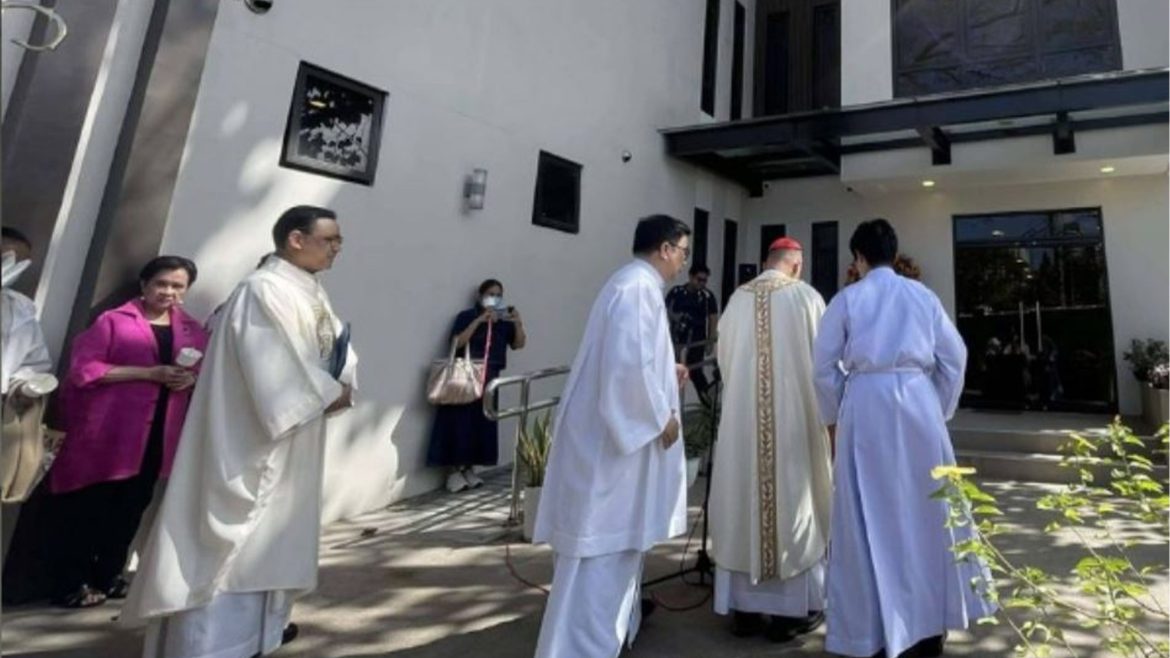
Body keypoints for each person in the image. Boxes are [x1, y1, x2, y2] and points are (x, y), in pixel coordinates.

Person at [120, 205, 358, 658]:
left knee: (268, 547)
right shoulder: (261, 291)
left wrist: (343, 383)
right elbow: (275, 369)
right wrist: (330, 393)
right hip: (253, 444)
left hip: (294, 439)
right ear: (295, 239)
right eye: (330, 239)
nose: (337, 248)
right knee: (232, 552)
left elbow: (336, 349)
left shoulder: (309, 290)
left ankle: (256, 641)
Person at [813, 219, 995, 658]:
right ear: (893, 255)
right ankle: (930, 625)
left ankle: (871, 631)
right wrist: (938, 406)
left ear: (857, 258)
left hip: (866, 402)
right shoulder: (922, 295)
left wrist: (840, 408)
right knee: (927, 514)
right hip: (917, 403)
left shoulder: (847, 299)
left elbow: (822, 366)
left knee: (864, 515)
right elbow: (955, 356)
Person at [532, 214, 691, 658]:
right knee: (602, 557)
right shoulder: (637, 288)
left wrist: (667, 370)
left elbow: (638, 359)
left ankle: (609, 636)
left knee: (616, 552)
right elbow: (627, 368)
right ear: (664, 248)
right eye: (682, 251)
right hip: (613, 453)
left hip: (612, 447)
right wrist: (662, 419)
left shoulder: (632, 285)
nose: (682, 261)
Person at [46, 256, 208, 608]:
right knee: (90, 510)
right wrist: (147, 373)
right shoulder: (114, 321)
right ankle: (71, 582)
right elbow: (84, 370)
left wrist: (188, 378)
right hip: (110, 433)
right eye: (161, 284)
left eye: (178, 286)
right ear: (144, 285)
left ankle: (108, 575)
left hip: (156, 438)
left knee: (130, 511)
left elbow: (202, 375)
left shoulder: (192, 330)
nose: (169, 292)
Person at [708, 236, 832, 642]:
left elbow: (723, 358)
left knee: (743, 503)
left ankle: (744, 610)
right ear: (797, 264)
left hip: (743, 424)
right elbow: (826, 365)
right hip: (794, 421)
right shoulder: (808, 298)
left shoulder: (736, 300)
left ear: (768, 261)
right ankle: (788, 614)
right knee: (794, 501)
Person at [427, 278, 526, 492]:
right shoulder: (467, 316)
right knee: (459, 423)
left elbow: (518, 344)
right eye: (490, 293)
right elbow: (458, 342)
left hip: (490, 379)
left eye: (498, 294)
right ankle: (453, 471)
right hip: (466, 376)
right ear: (479, 295)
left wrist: (517, 322)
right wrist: (479, 321)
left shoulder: (502, 322)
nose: (494, 298)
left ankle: (470, 468)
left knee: (481, 425)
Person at [665, 264, 719, 400]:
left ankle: (708, 401)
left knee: (696, 372)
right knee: (672, 373)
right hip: (677, 339)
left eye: (704, 281)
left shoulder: (707, 296)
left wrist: (710, 341)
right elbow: (665, 312)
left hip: (697, 339)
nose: (701, 283)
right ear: (690, 277)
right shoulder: (676, 292)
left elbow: (712, 318)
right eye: (698, 279)